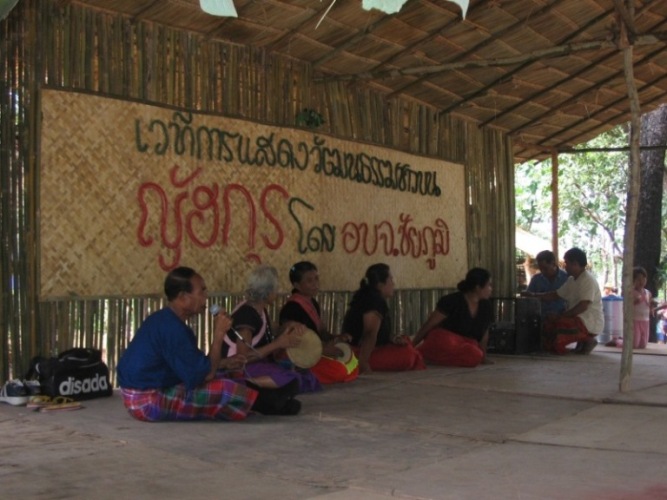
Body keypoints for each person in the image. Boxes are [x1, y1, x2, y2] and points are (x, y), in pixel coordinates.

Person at [116, 266, 259, 421]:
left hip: (143, 393)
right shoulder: (172, 328)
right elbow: (207, 375)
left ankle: (234, 408)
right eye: (201, 292)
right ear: (183, 297)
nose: (206, 297)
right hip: (145, 401)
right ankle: (254, 406)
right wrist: (219, 334)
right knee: (228, 390)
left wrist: (223, 363)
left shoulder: (165, 320)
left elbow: (192, 366)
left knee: (228, 374)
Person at [224, 264, 322, 398]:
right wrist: (277, 344)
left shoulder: (259, 309)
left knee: (306, 376)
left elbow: (272, 329)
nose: (277, 292)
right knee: (290, 380)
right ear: (267, 292)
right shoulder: (246, 316)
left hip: (261, 364)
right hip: (242, 369)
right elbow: (242, 358)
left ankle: (259, 387)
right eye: (275, 289)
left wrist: (290, 325)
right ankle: (241, 384)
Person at [279, 261, 359, 384]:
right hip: (299, 359)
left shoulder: (312, 303)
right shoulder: (292, 308)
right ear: (297, 285)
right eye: (309, 281)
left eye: (316, 278)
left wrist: (337, 338)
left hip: (316, 353)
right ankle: (295, 375)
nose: (315, 283)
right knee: (340, 370)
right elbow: (296, 344)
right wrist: (324, 350)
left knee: (352, 361)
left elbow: (321, 333)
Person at [341, 263, 425, 374]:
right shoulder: (374, 300)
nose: (393, 283)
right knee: (408, 354)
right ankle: (355, 363)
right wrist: (363, 364)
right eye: (391, 279)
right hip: (358, 353)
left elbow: (378, 332)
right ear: (380, 284)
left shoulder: (369, 296)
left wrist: (392, 339)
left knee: (406, 341)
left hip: (359, 350)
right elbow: (370, 333)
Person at [412, 268, 494, 367]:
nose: (491, 289)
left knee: (475, 354)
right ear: (478, 287)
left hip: (464, 345)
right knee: (452, 344)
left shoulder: (486, 306)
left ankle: (432, 359)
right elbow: (430, 323)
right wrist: (412, 345)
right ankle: (422, 354)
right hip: (443, 341)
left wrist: (483, 357)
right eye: (489, 285)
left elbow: (484, 332)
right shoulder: (452, 301)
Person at [527, 247, 603, 355]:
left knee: (558, 325)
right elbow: (555, 295)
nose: (565, 266)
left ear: (575, 264)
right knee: (549, 323)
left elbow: (583, 306)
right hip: (576, 318)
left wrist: (561, 316)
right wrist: (533, 295)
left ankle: (587, 339)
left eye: (567, 263)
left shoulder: (588, 280)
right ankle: (580, 341)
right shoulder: (572, 279)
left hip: (588, 321)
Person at [527, 250, 568, 317]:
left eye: (545, 268)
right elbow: (528, 300)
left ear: (553, 263)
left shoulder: (567, 278)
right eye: (540, 269)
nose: (543, 271)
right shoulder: (536, 279)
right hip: (540, 318)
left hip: (562, 318)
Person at [631, 266, 652, 349]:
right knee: (635, 344)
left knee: (643, 345)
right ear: (633, 280)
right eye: (638, 279)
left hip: (645, 321)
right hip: (635, 320)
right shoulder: (632, 292)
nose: (641, 281)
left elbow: (649, 304)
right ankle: (618, 341)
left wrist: (652, 309)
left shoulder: (648, 293)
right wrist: (635, 301)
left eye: (644, 279)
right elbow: (628, 306)